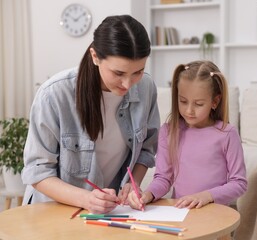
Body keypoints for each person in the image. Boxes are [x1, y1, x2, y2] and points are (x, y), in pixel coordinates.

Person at [21, 15, 160, 214]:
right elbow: (38, 171)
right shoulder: (54, 94)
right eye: (118, 73)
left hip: (107, 214)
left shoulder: (146, 88)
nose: (128, 84)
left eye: (138, 72)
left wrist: (133, 182)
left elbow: (146, 149)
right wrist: (87, 199)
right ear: (95, 56)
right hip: (52, 212)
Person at [128, 60, 247, 210]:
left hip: (216, 213)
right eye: (183, 101)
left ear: (215, 101)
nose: (189, 110)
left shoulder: (227, 134)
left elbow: (239, 183)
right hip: (181, 213)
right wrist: (149, 194)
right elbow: (163, 178)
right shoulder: (168, 131)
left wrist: (205, 196)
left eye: (198, 104)